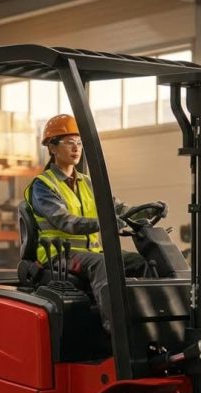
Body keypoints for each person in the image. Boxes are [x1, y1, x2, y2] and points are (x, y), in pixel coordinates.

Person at [24, 114, 161, 331]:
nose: (76, 148)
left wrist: (146, 211)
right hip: (59, 256)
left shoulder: (88, 182)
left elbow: (118, 208)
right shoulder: (43, 186)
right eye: (69, 143)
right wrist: (105, 224)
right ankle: (115, 331)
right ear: (52, 148)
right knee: (104, 264)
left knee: (142, 262)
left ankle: (149, 323)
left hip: (91, 252)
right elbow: (65, 221)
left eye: (78, 143)